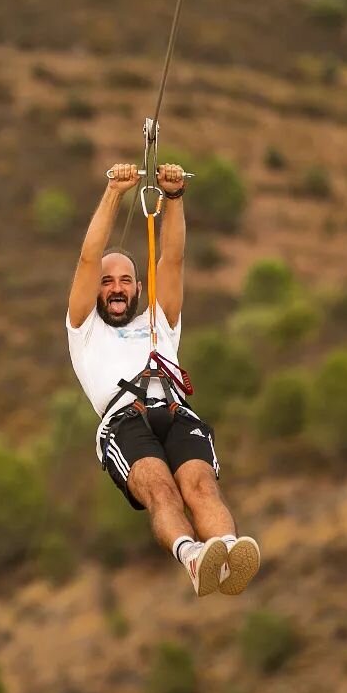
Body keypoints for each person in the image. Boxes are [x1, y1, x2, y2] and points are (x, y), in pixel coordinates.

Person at [66, 161, 260, 597]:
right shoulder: (84, 328)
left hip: (173, 410)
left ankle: (225, 553)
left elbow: (172, 259)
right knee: (160, 488)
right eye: (106, 282)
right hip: (123, 422)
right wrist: (114, 192)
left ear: (138, 288)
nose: (116, 288)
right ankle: (192, 557)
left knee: (199, 484)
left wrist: (173, 199)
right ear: (95, 290)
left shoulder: (159, 321)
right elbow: (87, 257)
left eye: (126, 281)